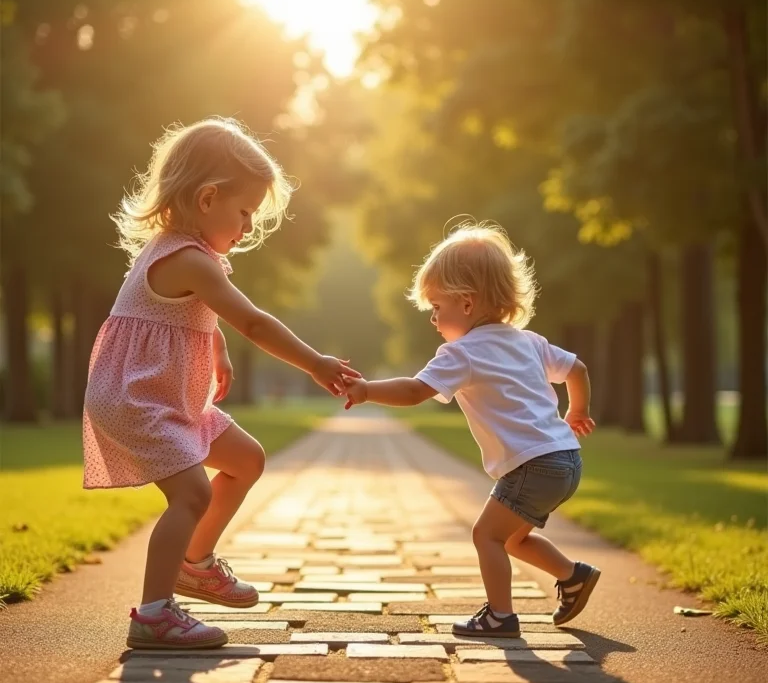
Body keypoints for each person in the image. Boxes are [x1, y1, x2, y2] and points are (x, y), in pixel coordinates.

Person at [83, 117, 358, 649]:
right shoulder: (187, 259)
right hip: (138, 397)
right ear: (207, 198)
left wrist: (216, 348)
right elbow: (253, 321)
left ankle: (195, 563)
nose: (249, 226)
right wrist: (315, 363)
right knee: (191, 493)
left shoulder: (190, 257)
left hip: (165, 393)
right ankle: (155, 615)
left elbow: (191, 315)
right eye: (245, 212)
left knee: (246, 459)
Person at [343, 222, 600, 637]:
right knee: (513, 538)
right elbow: (577, 369)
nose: (433, 319)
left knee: (487, 536)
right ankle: (574, 576)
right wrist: (577, 411)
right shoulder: (529, 341)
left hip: (531, 466)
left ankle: (500, 616)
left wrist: (368, 390)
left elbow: (413, 391)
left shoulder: (462, 353)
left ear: (465, 303)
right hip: (566, 460)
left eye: (436, 307)